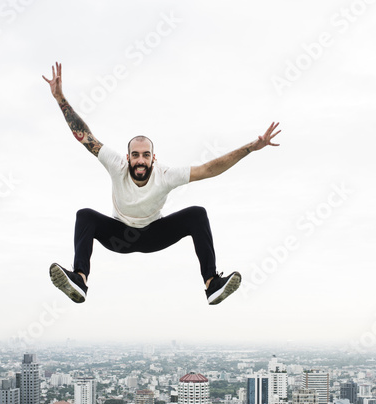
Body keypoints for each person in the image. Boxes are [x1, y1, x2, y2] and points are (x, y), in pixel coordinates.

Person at [42, 62, 281, 305]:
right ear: (128, 158)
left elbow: (209, 169)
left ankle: (212, 284)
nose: (140, 160)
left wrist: (251, 147)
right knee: (85, 216)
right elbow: (85, 137)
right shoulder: (116, 165)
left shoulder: (165, 174)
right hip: (119, 235)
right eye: (135, 155)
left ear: (153, 158)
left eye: (146, 155)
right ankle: (79, 281)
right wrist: (60, 98)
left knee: (197, 214)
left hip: (153, 235)